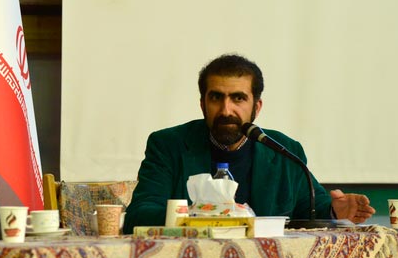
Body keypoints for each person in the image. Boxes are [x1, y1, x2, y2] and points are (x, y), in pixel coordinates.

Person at [123, 54, 375, 231]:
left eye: (238, 98)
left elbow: (310, 209)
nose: (226, 110)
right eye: (216, 98)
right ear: (202, 104)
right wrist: (202, 216)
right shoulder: (168, 145)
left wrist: (335, 211)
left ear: (257, 106)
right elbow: (139, 214)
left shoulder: (284, 150)